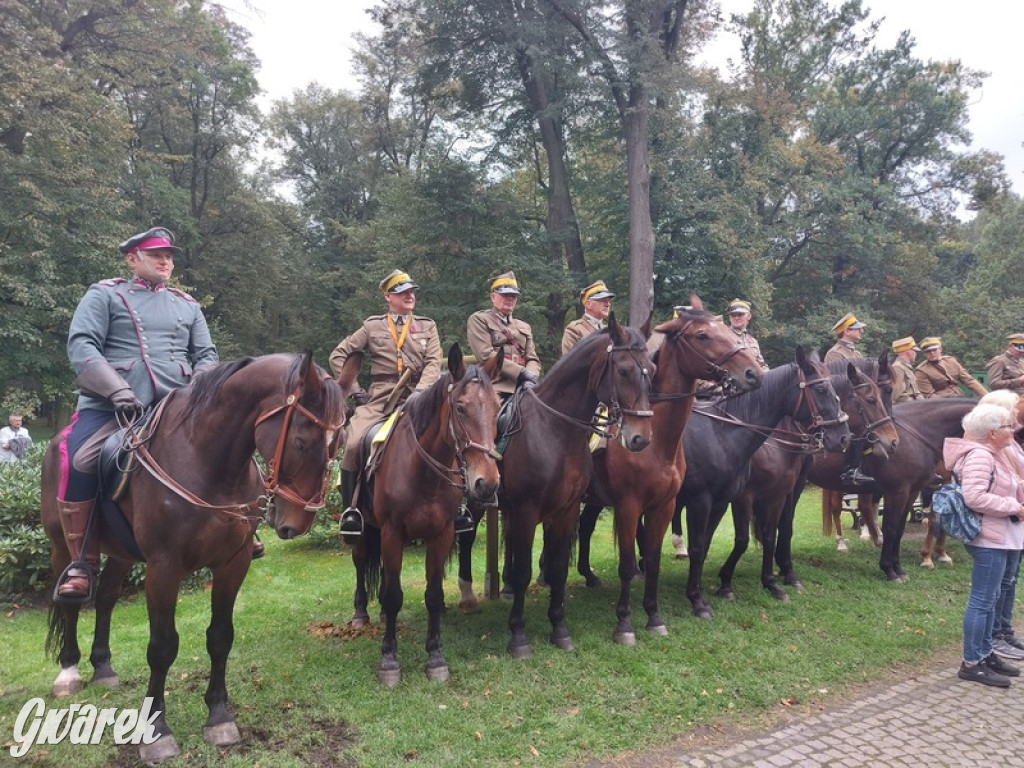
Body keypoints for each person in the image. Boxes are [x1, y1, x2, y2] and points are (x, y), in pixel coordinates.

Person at [56, 226, 220, 599]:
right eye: (157, 254)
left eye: (169, 255)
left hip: (176, 406)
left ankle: (241, 529)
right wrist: (116, 388)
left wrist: (198, 391)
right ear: (133, 259)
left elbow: (207, 356)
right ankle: (82, 560)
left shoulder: (187, 305)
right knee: (78, 459)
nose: (166, 261)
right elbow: (82, 345)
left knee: (229, 449)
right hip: (113, 406)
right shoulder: (105, 295)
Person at [329, 269, 451, 536]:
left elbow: (433, 363)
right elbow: (339, 355)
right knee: (352, 443)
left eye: (411, 292)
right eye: (402, 292)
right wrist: (355, 389)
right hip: (380, 397)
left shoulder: (427, 326)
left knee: (453, 432)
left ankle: (457, 505)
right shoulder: (372, 327)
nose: (410, 296)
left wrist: (421, 393)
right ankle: (353, 511)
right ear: (388, 296)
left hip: (421, 396)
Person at [943, 403, 1024, 686]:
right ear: (991, 433)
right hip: (989, 539)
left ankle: (985, 653)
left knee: (990, 601)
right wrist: (1013, 506)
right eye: (1007, 426)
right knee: (982, 601)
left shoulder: (997, 454)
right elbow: (974, 497)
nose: (1012, 430)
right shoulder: (980, 456)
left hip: (1001, 536)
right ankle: (972, 662)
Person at [977, 390, 1024, 662]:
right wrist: (1014, 505)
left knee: (1010, 579)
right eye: (1012, 411)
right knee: (996, 586)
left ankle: (1004, 629)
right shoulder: (989, 452)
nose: (1017, 415)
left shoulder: (1012, 445)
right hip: (1000, 525)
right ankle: (993, 636)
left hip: (1014, 524)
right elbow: (977, 494)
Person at [466, 271, 542, 398]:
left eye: (513, 296)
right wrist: (521, 372)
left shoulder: (524, 326)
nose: (510, 299)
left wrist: (530, 377)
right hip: (494, 384)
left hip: (525, 385)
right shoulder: (479, 320)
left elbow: (532, 359)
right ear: (493, 297)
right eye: (505, 294)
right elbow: (485, 355)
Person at [824, 313, 873, 485]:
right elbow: (837, 381)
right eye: (858, 328)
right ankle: (851, 470)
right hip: (843, 401)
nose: (861, 331)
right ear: (846, 331)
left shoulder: (856, 352)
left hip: (857, 399)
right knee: (858, 428)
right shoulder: (834, 354)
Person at [915, 337, 988, 398]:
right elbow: (929, 396)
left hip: (960, 397)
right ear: (924, 354)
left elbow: (969, 381)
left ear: (940, 349)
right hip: (941, 404)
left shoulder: (951, 361)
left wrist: (987, 396)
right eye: (928, 351)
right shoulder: (922, 371)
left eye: (934, 350)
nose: (932, 353)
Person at [561, 280, 614, 355]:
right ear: (588, 304)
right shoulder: (574, 330)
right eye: (602, 300)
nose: (607, 304)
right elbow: (570, 363)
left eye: (608, 301)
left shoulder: (610, 330)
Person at [724, 299, 769, 371]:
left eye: (740, 314)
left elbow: (761, 365)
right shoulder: (723, 337)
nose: (736, 318)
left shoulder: (752, 341)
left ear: (749, 316)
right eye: (733, 315)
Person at [889, 336, 924, 403]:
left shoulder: (906, 367)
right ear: (908, 351)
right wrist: (916, 404)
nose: (915, 354)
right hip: (905, 408)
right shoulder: (897, 367)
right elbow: (897, 395)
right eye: (914, 351)